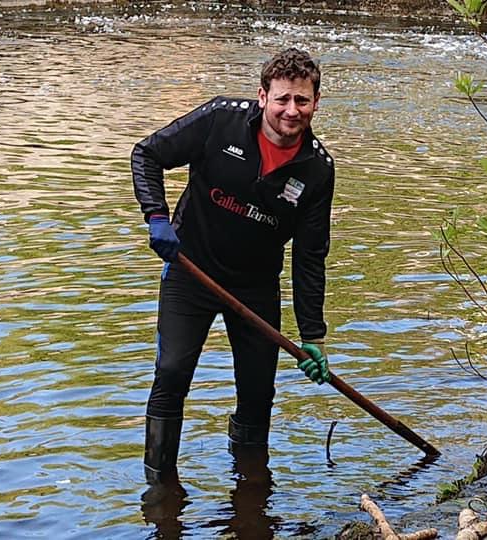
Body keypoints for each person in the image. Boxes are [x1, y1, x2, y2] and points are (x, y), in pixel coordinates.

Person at [131, 48, 335, 486]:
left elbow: (309, 256)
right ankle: (159, 487)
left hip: (256, 286)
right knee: (171, 373)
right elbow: (146, 154)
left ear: (316, 104)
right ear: (262, 97)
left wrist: (313, 335)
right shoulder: (220, 120)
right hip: (191, 270)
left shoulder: (317, 170)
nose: (291, 111)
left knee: (259, 393)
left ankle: (250, 489)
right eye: (282, 99)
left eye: (302, 101)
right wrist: (157, 216)